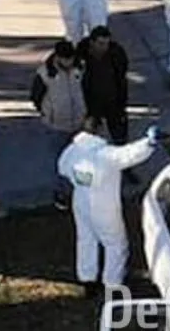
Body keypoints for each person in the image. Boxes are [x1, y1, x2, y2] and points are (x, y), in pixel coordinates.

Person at [57, 120, 162, 297]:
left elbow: (62, 168)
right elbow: (130, 154)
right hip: (105, 207)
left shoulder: (72, 150)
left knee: (86, 240)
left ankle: (87, 279)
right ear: (100, 130)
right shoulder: (106, 155)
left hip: (81, 201)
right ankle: (112, 284)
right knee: (115, 245)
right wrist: (149, 142)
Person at [30, 40, 89, 211]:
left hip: (79, 122)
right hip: (56, 126)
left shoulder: (81, 68)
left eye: (71, 59)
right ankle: (60, 193)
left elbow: (88, 88)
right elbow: (36, 96)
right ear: (58, 57)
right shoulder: (45, 73)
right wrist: (47, 113)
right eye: (65, 60)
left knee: (82, 160)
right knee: (59, 162)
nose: (69, 63)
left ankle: (82, 190)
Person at [77, 25, 130, 146]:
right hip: (91, 102)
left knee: (119, 136)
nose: (105, 47)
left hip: (113, 100)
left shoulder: (116, 53)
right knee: (89, 137)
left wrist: (122, 104)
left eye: (107, 43)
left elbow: (121, 77)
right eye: (101, 43)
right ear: (92, 42)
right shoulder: (81, 52)